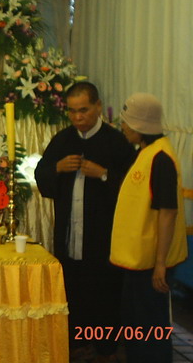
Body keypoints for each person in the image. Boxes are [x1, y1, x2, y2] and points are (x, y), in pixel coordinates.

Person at [35, 82, 136, 361]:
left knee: (104, 291)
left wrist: (103, 174)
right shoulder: (63, 140)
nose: (77, 117)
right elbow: (41, 174)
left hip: (103, 237)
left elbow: (134, 188)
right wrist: (57, 168)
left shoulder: (116, 141)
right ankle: (75, 344)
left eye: (83, 110)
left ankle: (106, 347)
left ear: (98, 106)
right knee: (73, 290)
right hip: (70, 235)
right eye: (71, 111)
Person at [110, 93, 188, 363]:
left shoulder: (161, 158)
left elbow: (168, 213)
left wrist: (160, 264)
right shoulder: (145, 153)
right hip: (138, 258)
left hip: (152, 262)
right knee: (136, 323)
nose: (123, 126)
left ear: (140, 125)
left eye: (126, 122)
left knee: (150, 327)